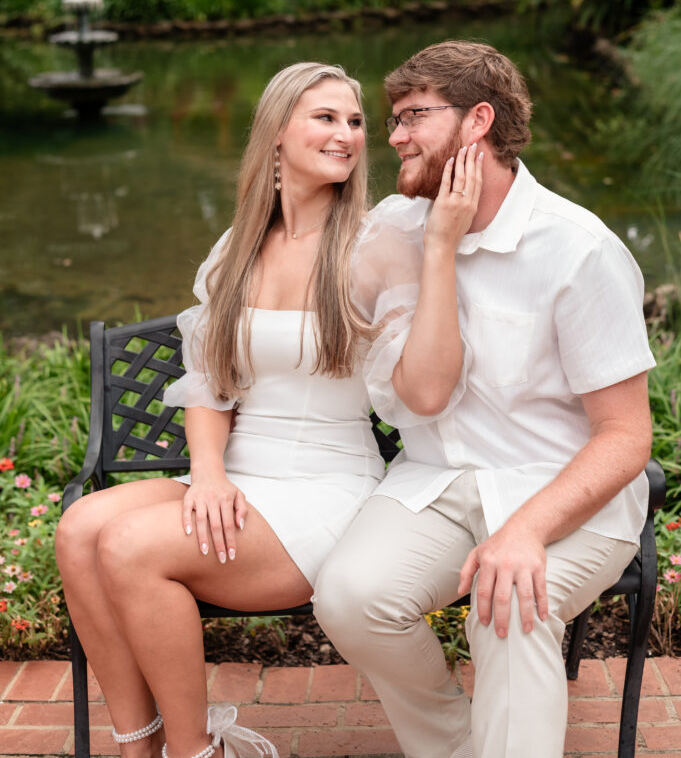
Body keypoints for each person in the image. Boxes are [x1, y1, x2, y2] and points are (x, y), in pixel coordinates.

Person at [55, 61, 483, 758]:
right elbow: (207, 384)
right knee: (79, 529)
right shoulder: (236, 249)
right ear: (276, 132)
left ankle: (197, 752)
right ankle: (140, 745)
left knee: (131, 547)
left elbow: (427, 386)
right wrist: (210, 473)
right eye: (325, 117)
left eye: (353, 122)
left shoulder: (377, 244)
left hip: (322, 490)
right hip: (236, 481)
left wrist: (438, 245)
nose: (346, 134)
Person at [313, 40, 655, 758]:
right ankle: (460, 747)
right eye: (393, 120)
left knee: (510, 608)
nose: (394, 137)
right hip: (438, 479)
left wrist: (526, 530)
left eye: (412, 117)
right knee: (349, 597)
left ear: (476, 121)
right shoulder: (396, 229)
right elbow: (297, 288)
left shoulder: (575, 249)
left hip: (562, 490)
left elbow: (624, 437)